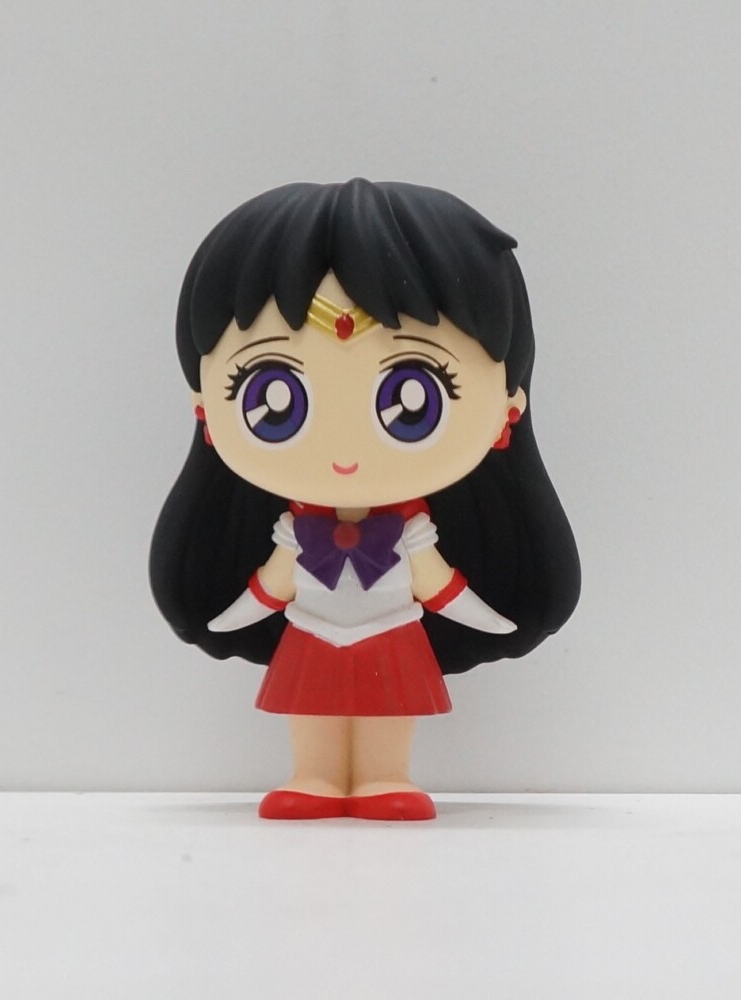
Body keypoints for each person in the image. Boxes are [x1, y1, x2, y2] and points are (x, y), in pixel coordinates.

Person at [150, 179, 580, 820]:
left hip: (390, 633)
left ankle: (384, 777)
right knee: (312, 710)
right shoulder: (293, 533)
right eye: (274, 402)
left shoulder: (413, 533)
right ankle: (315, 775)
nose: (345, 453)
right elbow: (271, 586)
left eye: (414, 401)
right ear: (204, 408)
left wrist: (492, 618)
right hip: (311, 631)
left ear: (507, 408)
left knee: (387, 710)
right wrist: (230, 614)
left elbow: (439, 587)